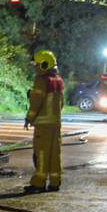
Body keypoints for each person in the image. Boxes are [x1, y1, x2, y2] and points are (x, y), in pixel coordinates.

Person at [25, 50, 64, 193]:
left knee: (41, 154)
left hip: (43, 125)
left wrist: (29, 118)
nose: (35, 68)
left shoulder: (41, 80)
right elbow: (62, 103)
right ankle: (55, 182)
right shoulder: (59, 80)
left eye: (37, 65)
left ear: (44, 65)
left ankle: (38, 184)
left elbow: (36, 103)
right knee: (55, 154)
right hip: (56, 124)